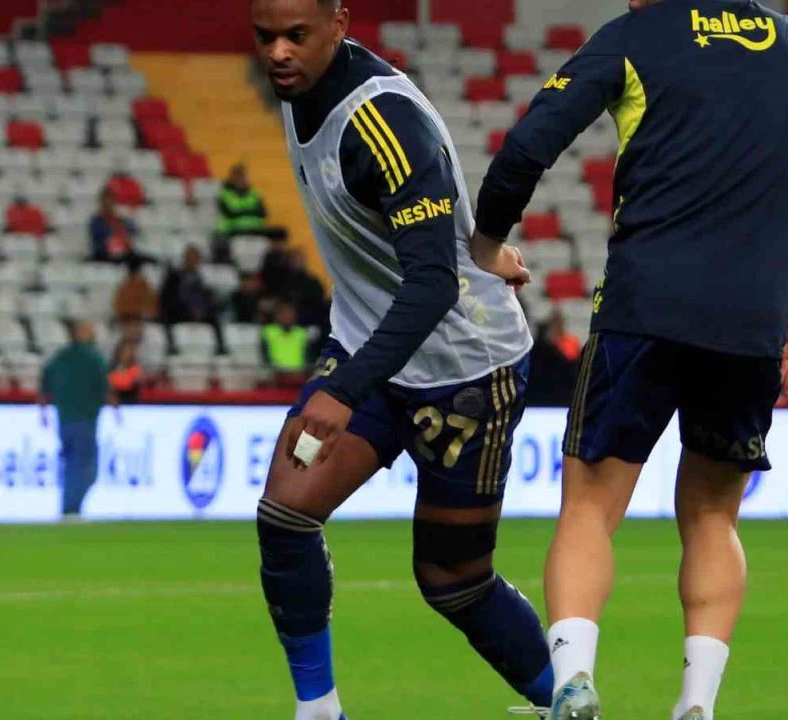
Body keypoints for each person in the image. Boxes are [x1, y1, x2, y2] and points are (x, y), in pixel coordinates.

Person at [474, 1, 788, 718]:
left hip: (642, 311)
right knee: (715, 516)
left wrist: (485, 243)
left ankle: (573, 681)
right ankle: (697, 703)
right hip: (750, 325)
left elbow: (530, 143)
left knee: (590, 507)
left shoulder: (636, 36)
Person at [252, 1, 552, 718]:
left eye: (296, 36)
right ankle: (319, 710)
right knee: (286, 514)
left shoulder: (380, 123)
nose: (279, 53)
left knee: (454, 581)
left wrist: (344, 390)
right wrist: (479, 244)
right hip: (373, 347)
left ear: (339, 23)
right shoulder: (302, 89)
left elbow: (432, 285)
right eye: (266, 37)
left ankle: (565, 702)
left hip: (465, 369)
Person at [41, 320, 114, 518]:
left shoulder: (60, 358)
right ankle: (71, 508)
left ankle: (70, 506)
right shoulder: (94, 358)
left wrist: (44, 411)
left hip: (64, 420)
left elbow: (45, 383)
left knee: (71, 465)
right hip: (86, 419)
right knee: (85, 468)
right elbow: (106, 387)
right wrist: (115, 408)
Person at [526, 309, 581, 407]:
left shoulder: (572, 341)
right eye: (555, 323)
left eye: (560, 322)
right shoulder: (544, 346)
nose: (558, 325)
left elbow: (574, 362)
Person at [89, 186, 141, 263]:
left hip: (123, 252)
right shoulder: (96, 221)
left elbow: (133, 231)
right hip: (105, 254)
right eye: (106, 200)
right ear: (101, 202)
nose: (109, 203)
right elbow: (99, 243)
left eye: (111, 200)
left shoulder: (120, 219)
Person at [261, 300, 311, 376]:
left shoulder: (301, 333)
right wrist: (271, 370)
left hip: (298, 374)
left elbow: (308, 356)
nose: (287, 316)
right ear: (277, 315)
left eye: (290, 313)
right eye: (284, 313)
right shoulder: (268, 331)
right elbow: (264, 355)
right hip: (275, 374)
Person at [112, 257, 157, 323]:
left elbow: (153, 308)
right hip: (130, 319)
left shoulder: (144, 286)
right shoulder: (126, 287)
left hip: (140, 319)